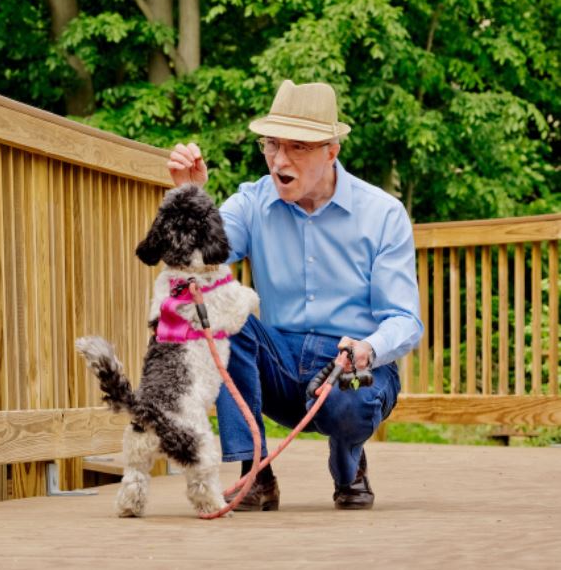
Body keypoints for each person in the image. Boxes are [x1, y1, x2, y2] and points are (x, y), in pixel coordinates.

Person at [166, 80, 423, 510]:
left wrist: (367, 348)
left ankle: (349, 466)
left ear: (331, 151)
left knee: (349, 401)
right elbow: (193, 264)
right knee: (222, 314)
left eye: (298, 147)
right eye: (272, 145)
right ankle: (256, 473)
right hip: (279, 362)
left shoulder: (383, 214)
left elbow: (405, 319)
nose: (279, 160)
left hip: (354, 365)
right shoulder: (251, 202)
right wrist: (190, 197)